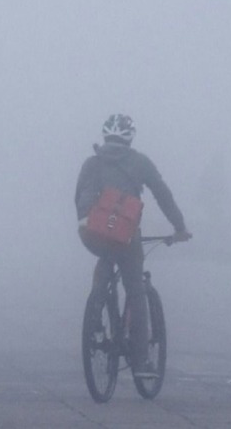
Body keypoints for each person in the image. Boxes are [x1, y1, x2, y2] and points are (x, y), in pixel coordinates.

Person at [75, 114, 192, 378]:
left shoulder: (91, 163)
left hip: (92, 234)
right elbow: (163, 194)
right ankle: (141, 363)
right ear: (131, 136)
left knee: (105, 259)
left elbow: (78, 197)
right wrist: (179, 227)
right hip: (126, 236)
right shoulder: (140, 162)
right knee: (136, 290)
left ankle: (96, 314)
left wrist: (88, 225)